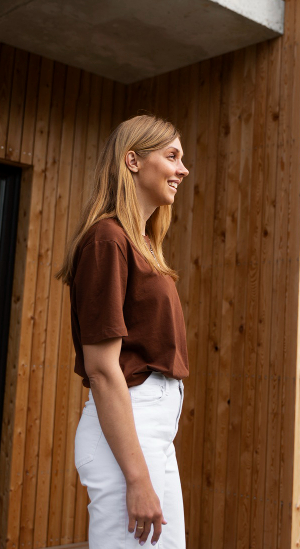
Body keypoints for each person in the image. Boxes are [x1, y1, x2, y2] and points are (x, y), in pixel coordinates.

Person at [57, 114, 190, 548]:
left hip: (153, 428)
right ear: (132, 161)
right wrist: (137, 478)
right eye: (172, 156)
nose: (182, 170)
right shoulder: (107, 239)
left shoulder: (143, 244)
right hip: (127, 428)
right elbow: (101, 368)